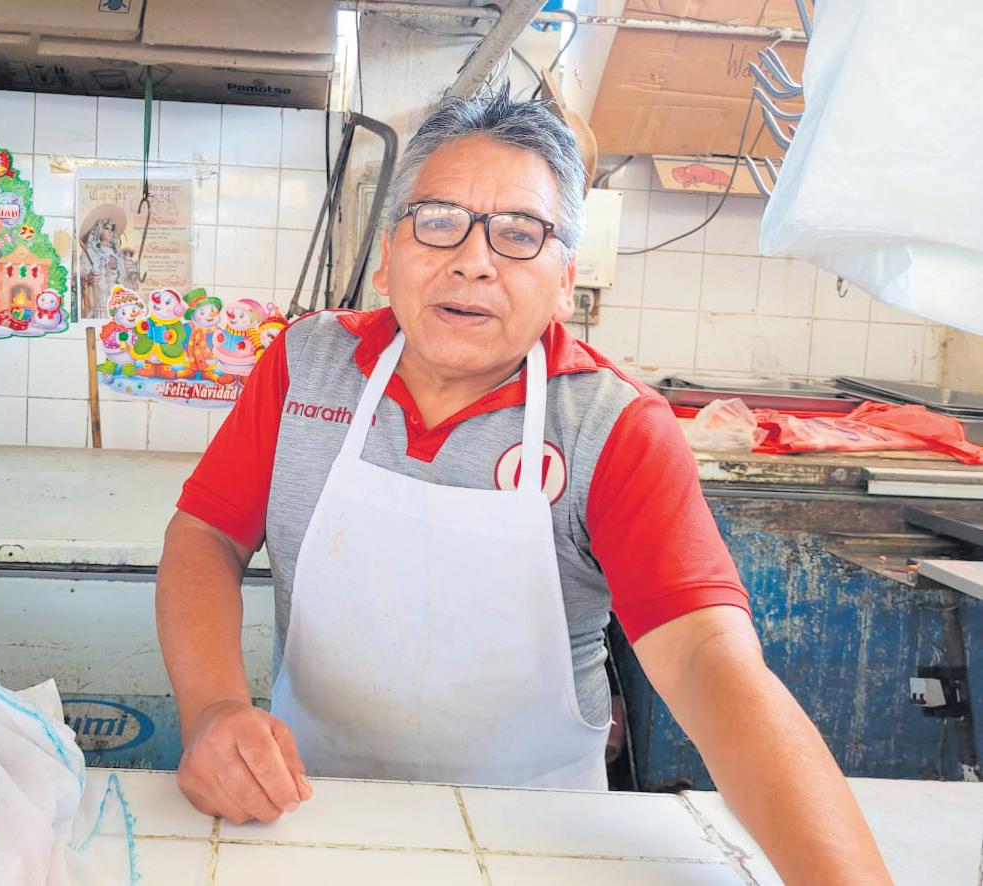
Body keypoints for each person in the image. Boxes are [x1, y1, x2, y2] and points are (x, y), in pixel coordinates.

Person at [155, 85, 891, 883]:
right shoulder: (307, 365)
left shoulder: (612, 426)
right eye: (438, 220)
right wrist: (215, 710)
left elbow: (702, 658)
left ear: (564, 279)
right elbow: (206, 534)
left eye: (518, 233)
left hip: (538, 835)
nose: (473, 260)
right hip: (307, 808)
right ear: (387, 256)